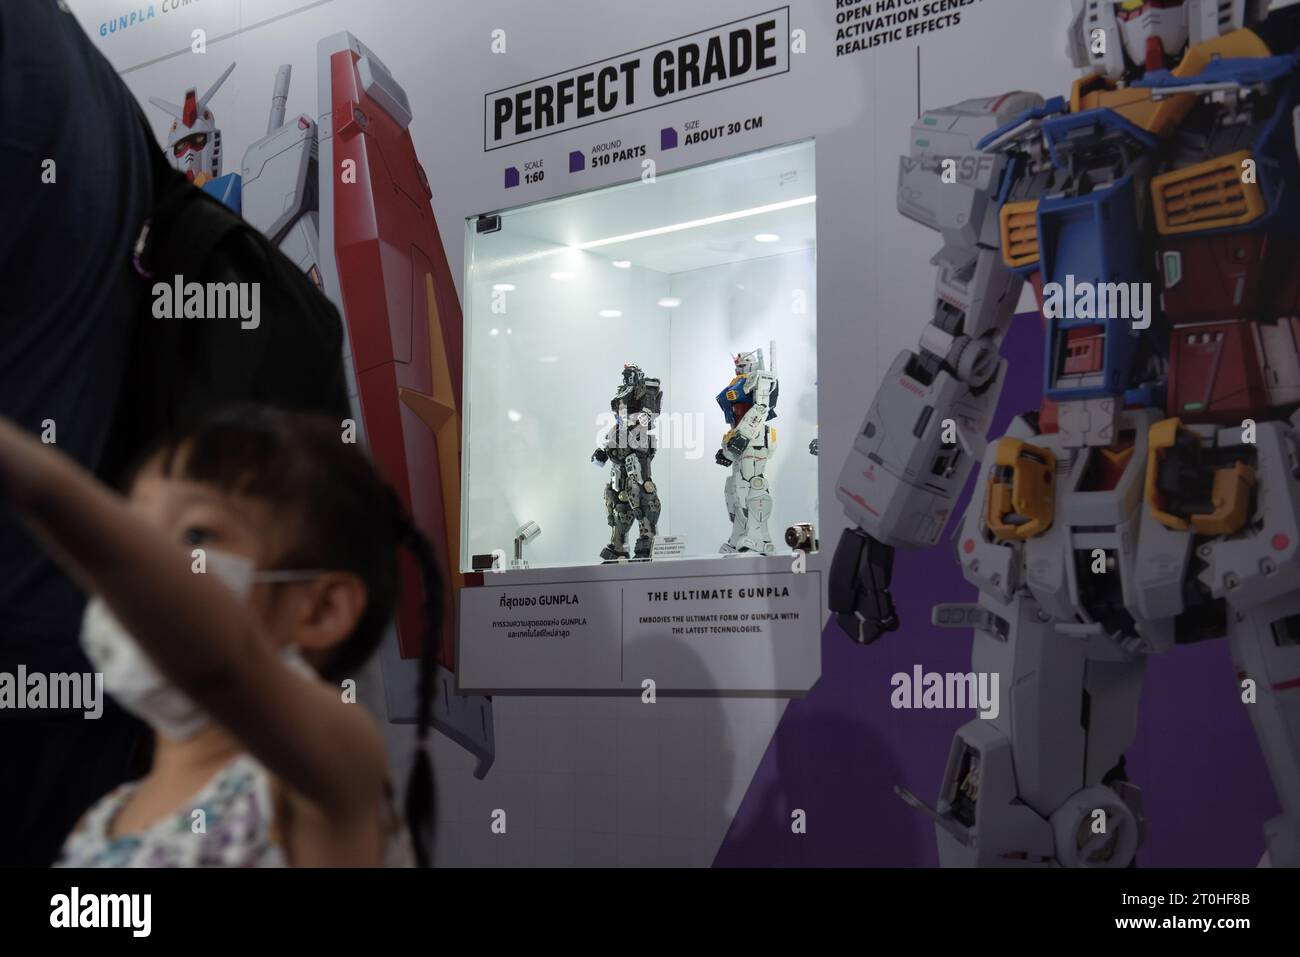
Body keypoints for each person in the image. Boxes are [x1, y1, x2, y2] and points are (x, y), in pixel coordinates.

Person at [0, 405, 438, 866]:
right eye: (134, 528)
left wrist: (39, 484)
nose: (140, 567)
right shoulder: (101, 821)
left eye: (195, 535)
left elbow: (222, 663)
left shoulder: (331, 769)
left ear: (322, 609)